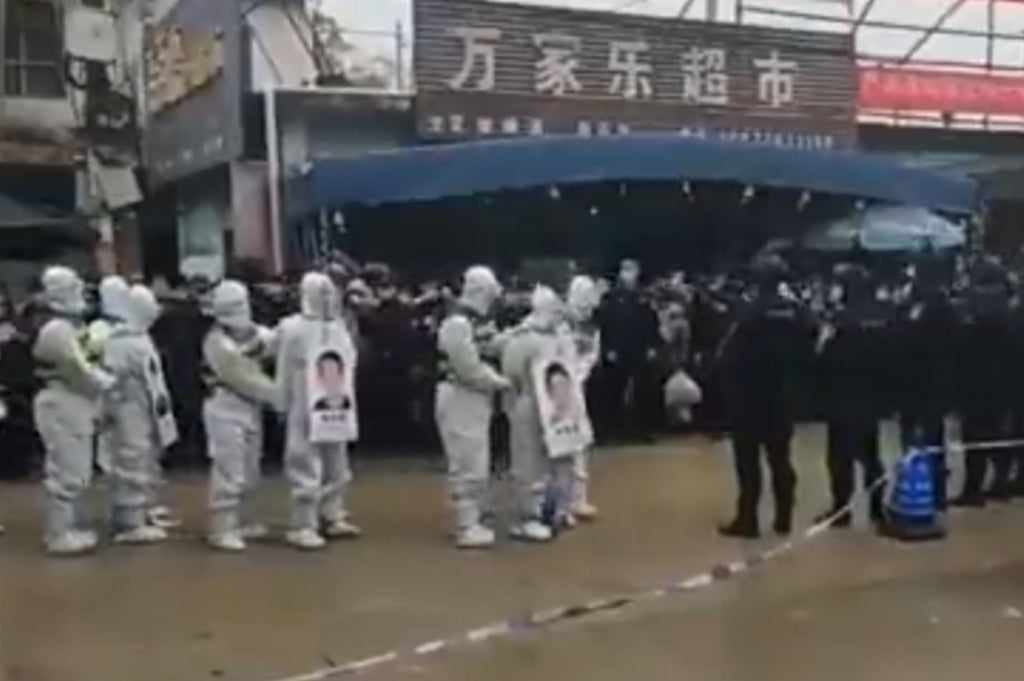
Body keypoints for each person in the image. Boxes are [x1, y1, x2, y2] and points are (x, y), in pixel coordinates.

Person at [718, 255, 816, 539]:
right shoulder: (796, 310)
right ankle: (783, 517)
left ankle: (748, 520)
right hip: (782, 395)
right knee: (781, 459)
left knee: (748, 462)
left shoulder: (749, 312)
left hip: (749, 396)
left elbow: (730, 353)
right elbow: (812, 335)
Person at [32, 266, 115, 555]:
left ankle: (69, 525)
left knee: (77, 469)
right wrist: (107, 380)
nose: (80, 289)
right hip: (62, 401)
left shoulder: (73, 327)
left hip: (75, 401)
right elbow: (80, 369)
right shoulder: (56, 331)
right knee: (66, 470)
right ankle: (58, 533)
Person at [277, 272, 362, 551]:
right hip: (303, 395)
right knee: (304, 457)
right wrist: (282, 400)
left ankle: (332, 512)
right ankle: (302, 523)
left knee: (337, 458)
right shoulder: (292, 327)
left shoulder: (339, 327)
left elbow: (351, 360)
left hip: (335, 396)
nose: (327, 297)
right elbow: (284, 366)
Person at [202, 280, 281, 552]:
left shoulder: (253, 334)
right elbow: (247, 379)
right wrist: (281, 397)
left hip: (249, 410)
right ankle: (222, 527)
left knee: (249, 469)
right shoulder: (217, 344)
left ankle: (244, 520)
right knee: (229, 469)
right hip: (223, 409)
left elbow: (273, 342)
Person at [435, 265, 510, 549]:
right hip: (459, 395)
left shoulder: (477, 320)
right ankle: (465, 523)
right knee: (467, 461)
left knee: (478, 457)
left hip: (476, 397)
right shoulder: (457, 323)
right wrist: (499, 382)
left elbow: (491, 346)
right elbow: (468, 367)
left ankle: (473, 514)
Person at [815, 264, 893, 527]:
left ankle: (841, 511)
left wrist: (824, 343)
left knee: (840, 459)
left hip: (843, 397)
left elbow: (828, 361)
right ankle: (876, 508)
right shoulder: (882, 315)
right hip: (872, 397)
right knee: (871, 456)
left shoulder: (840, 320)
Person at [102, 284, 179, 544]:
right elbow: (109, 380)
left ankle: (143, 508)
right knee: (130, 457)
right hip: (129, 408)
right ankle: (128, 520)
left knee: (146, 457)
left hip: (147, 408)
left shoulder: (140, 337)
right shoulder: (120, 342)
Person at [502, 285, 572, 542]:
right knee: (527, 460)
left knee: (558, 457)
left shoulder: (560, 334)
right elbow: (511, 372)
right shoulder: (523, 337)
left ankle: (555, 508)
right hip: (529, 401)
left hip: (558, 404)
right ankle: (528, 516)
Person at [952, 256, 1015, 505]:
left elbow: (965, 343)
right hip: (1003, 382)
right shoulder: (1007, 307)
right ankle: (1001, 483)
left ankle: (973, 489)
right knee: (998, 436)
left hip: (977, 382)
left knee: (975, 438)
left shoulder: (978, 306)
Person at [595, 259, 661, 442]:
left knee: (642, 391)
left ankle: (641, 431)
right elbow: (604, 325)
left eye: (632, 270)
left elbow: (652, 323)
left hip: (639, 349)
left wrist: (653, 346)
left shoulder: (644, 297)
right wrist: (607, 348)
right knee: (612, 391)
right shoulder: (610, 298)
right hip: (616, 349)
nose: (629, 274)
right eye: (625, 270)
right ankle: (609, 431)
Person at [562, 274, 602, 520]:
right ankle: (560, 502)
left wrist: (581, 374)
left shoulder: (592, 326)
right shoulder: (559, 322)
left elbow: (592, 354)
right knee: (560, 447)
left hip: (579, 388)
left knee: (580, 443)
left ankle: (578, 498)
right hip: (557, 390)